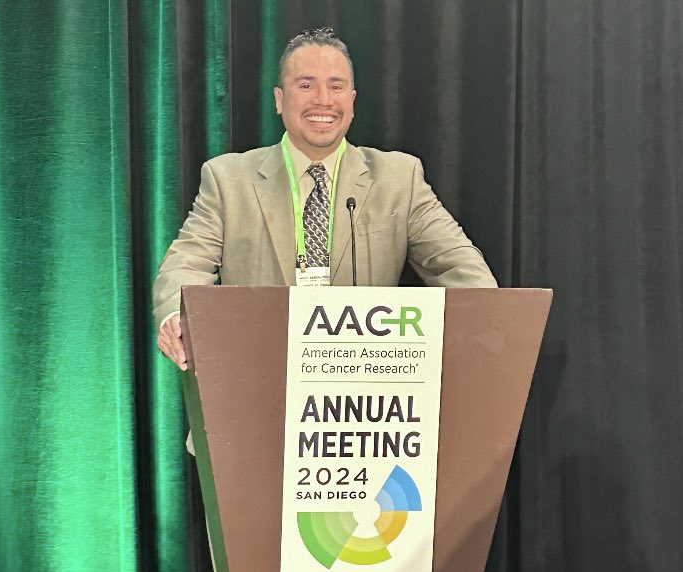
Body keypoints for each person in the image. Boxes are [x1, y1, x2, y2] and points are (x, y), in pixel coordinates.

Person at [154, 27, 497, 370]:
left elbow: (458, 263)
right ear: (278, 99)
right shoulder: (228, 179)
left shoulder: (399, 178)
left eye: (336, 87)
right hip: (255, 382)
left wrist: (495, 319)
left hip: (359, 401)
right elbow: (187, 262)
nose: (323, 100)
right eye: (306, 85)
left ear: (352, 100)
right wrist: (175, 314)